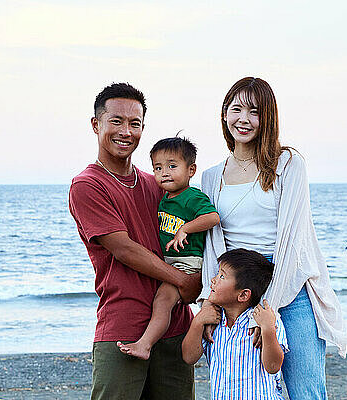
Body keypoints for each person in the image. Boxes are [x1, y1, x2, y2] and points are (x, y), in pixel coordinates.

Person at [199, 77, 347, 400]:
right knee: (243, 388)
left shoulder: (288, 164)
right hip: (236, 289)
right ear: (224, 114)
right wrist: (209, 301)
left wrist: (268, 308)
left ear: (268, 117)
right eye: (236, 109)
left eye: (254, 111)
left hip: (289, 286)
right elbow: (213, 243)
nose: (244, 119)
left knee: (304, 390)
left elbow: (293, 240)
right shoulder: (211, 176)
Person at [68, 83, 202, 399]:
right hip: (123, 328)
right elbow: (125, 249)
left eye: (135, 123)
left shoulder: (157, 185)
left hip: (174, 325)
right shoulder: (87, 186)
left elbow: (197, 232)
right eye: (116, 121)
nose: (126, 131)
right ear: (95, 124)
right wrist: (184, 281)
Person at [117, 137, 220, 360]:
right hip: (171, 262)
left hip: (187, 263)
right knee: (162, 302)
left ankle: (145, 344)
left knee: (162, 302)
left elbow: (212, 217)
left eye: (172, 166)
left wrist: (186, 228)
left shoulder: (192, 196)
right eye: (158, 168)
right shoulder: (165, 199)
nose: (164, 172)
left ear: (191, 169)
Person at [183, 248, 288, 399]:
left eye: (221, 276)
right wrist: (197, 321)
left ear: (243, 294)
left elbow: (273, 367)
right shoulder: (212, 320)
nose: (213, 280)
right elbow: (189, 357)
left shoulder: (265, 320)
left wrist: (268, 329)